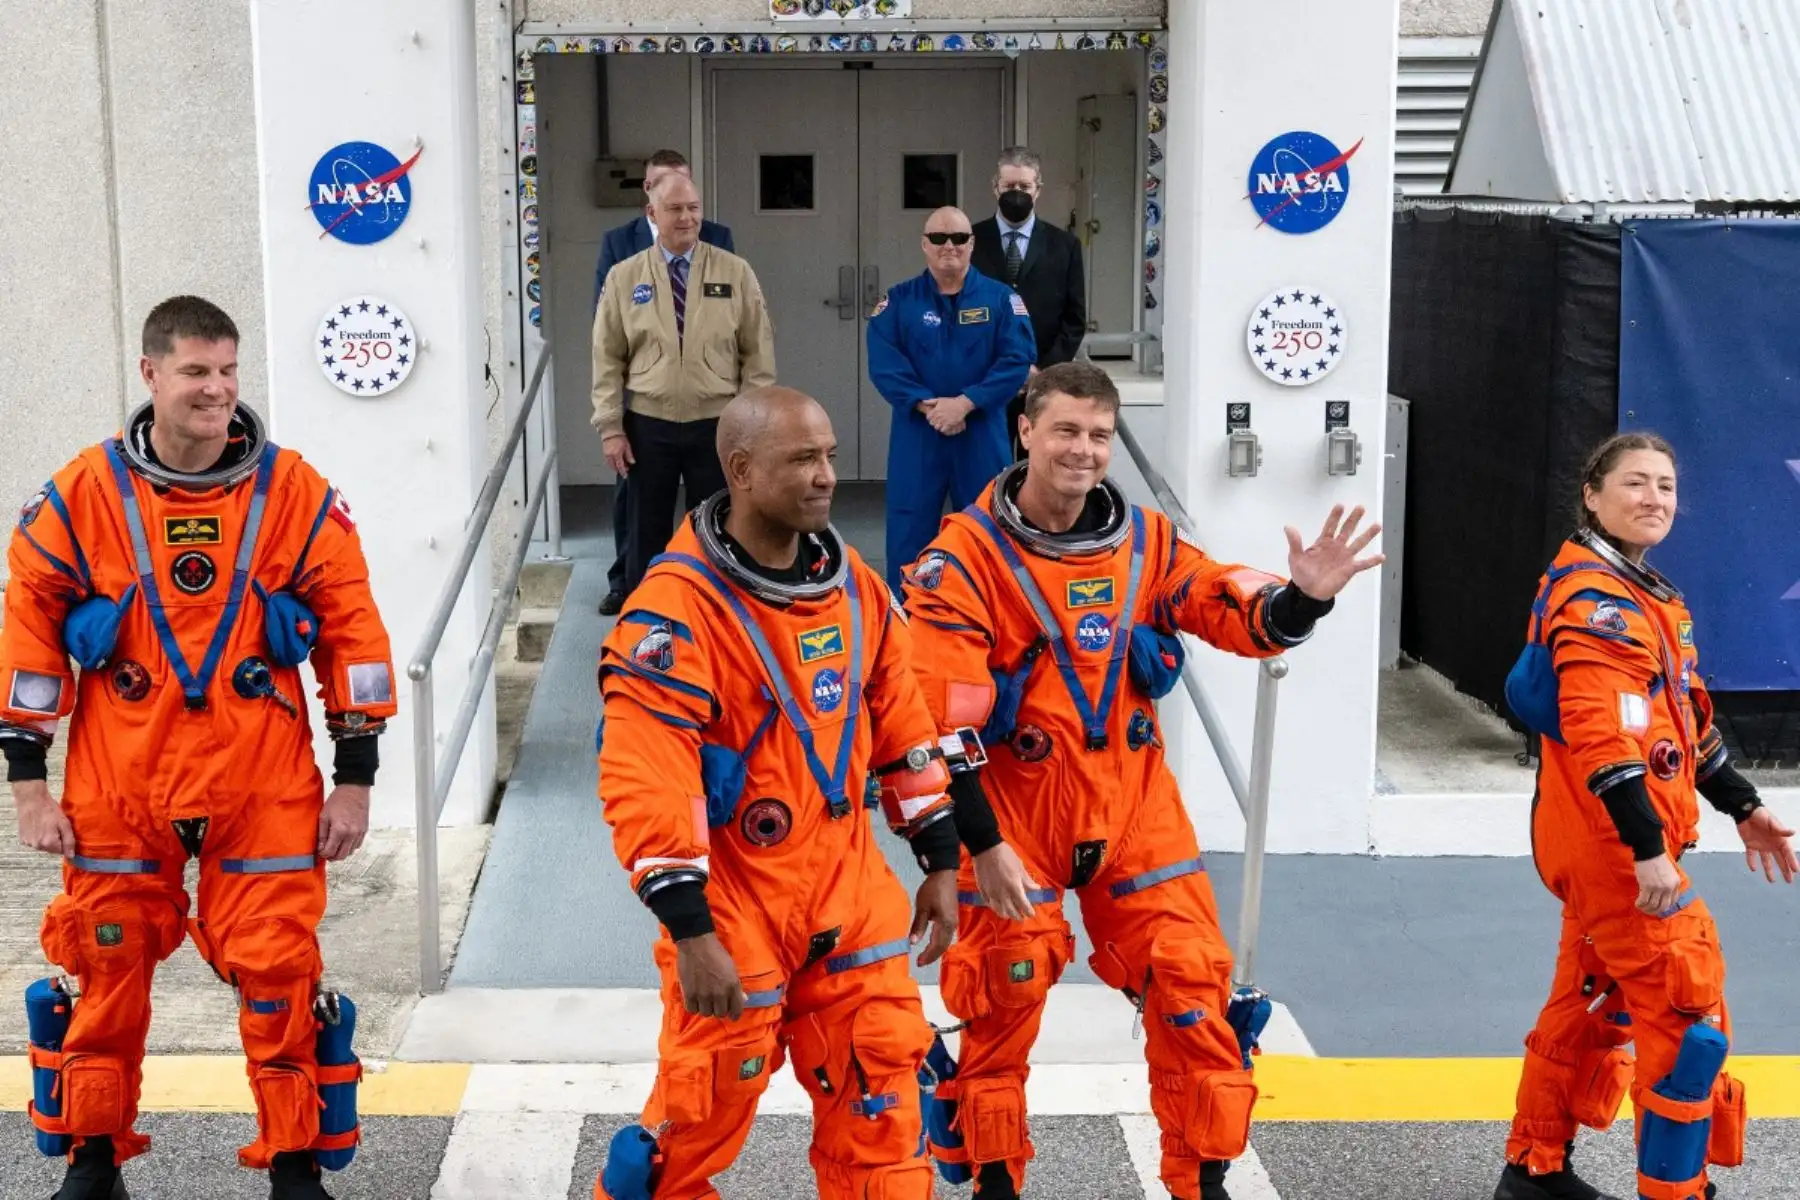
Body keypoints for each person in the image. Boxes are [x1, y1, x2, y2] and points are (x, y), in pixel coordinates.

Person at [902, 362, 1383, 1200]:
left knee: (1197, 988)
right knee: (1000, 1005)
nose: (1083, 451)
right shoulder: (962, 563)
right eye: (1065, 431)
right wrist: (983, 846)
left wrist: (1299, 602)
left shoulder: (1147, 541)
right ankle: (994, 1185)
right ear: (1025, 431)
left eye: (1097, 435)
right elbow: (941, 731)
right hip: (1016, 823)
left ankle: (1201, 1183)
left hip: (1134, 812)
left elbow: (1221, 603)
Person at [5, 296, 396, 1200]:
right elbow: (27, 631)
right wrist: (28, 783)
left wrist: (358, 780)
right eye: (195, 372)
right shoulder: (84, 495)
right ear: (151, 375)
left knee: (276, 965)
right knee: (105, 965)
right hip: (119, 778)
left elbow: (354, 635)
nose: (216, 390)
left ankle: (295, 1162)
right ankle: (93, 1159)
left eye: (227, 371)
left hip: (258, 775)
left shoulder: (293, 493)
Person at [592, 385, 975, 1200]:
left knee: (885, 1112)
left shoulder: (857, 591)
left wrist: (939, 858)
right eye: (803, 459)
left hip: (848, 891)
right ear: (740, 471)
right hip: (735, 906)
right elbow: (647, 778)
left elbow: (904, 726)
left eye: (830, 455)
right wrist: (691, 930)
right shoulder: (670, 616)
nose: (827, 476)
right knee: (695, 1126)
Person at [1494, 433, 1796, 1200]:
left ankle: (1534, 1172)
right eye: (1635, 483)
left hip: (1606, 844)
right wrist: (1646, 848)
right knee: (1685, 1015)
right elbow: (1605, 739)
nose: (1655, 498)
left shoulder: (1643, 593)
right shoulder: (1596, 603)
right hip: (1615, 847)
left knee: (1588, 1005)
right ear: (1592, 494)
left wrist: (1745, 808)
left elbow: (1679, 731)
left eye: (1665, 485)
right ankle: (1675, 1193)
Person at [592, 173, 774, 599]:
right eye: (675, 209)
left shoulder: (734, 271)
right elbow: (606, 358)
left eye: (693, 207)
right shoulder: (624, 277)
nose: (687, 217)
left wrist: (750, 426)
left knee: (719, 530)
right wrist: (611, 428)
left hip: (717, 423)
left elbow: (758, 353)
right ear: (652, 214)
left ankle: (716, 619)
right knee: (644, 532)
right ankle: (645, 625)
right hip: (646, 425)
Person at [867, 206, 1036, 592]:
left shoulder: (1001, 300)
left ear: (972, 244)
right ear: (924, 244)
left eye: (959, 238)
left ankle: (992, 612)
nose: (949, 246)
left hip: (980, 430)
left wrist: (966, 403)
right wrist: (931, 406)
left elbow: (1017, 359)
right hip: (918, 432)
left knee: (989, 528)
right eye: (939, 238)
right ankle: (907, 616)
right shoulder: (898, 302)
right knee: (910, 528)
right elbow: (884, 363)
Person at [971, 147, 1087, 460]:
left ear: (1038, 190)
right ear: (995, 186)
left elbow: (1074, 319)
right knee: (984, 471)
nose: (1017, 193)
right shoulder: (968, 241)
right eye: (1009, 186)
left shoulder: (1065, 246)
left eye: (1024, 186)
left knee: (1036, 470)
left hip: (1042, 383)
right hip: (983, 380)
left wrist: (1041, 371)